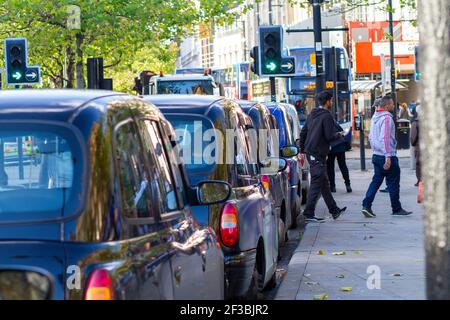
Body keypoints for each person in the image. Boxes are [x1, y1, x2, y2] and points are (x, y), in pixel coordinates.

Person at [361, 96, 412, 218]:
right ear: (387, 106)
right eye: (392, 104)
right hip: (387, 155)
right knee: (393, 182)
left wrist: (376, 150)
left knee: (376, 181)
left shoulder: (374, 117)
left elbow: (372, 137)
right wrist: (388, 156)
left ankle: (366, 205)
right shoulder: (387, 118)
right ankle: (397, 208)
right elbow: (385, 138)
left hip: (376, 154)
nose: (394, 106)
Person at [300, 91, 347, 222]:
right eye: (331, 101)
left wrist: (303, 150)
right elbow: (329, 136)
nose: (332, 103)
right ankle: (308, 213)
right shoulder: (326, 116)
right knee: (316, 182)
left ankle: (334, 210)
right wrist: (340, 134)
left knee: (324, 183)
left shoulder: (312, 114)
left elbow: (303, 132)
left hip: (312, 153)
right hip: (317, 153)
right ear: (327, 101)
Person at [327, 121, 352, 193]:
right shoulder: (333, 121)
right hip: (340, 145)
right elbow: (341, 130)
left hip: (331, 147)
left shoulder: (323, 122)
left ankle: (332, 187)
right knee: (343, 165)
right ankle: (348, 185)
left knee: (330, 167)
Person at [410, 104, 421, 186]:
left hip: (419, 147)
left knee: (419, 164)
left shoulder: (416, 122)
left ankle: (420, 180)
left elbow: (413, 137)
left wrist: (413, 144)